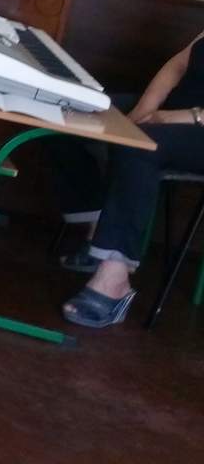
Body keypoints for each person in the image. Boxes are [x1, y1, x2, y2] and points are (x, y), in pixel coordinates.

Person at [62, 31, 204, 327]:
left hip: (195, 125)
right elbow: (178, 64)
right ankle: (97, 230)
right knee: (73, 109)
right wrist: (143, 111)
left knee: (139, 146)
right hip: (175, 111)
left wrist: (183, 117)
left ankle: (114, 279)